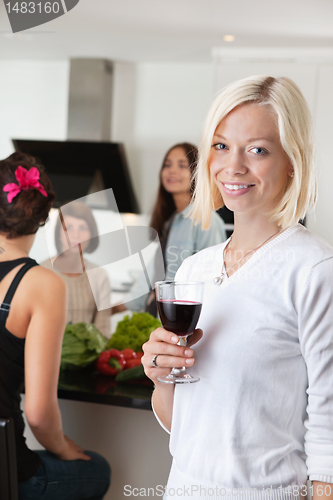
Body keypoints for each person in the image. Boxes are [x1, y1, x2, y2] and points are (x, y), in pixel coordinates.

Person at [142, 76, 333, 500]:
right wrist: (161, 377)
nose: (233, 166)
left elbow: (329, 426)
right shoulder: (195, 269)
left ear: (292, 161)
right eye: (221, 145)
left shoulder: (314, 270)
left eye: (258, 150)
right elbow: (183, 427)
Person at [0, 152, 111, 500]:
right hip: (8, 473)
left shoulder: (82, 275)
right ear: (44, 216)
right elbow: (39, 415)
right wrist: (64, 448)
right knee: (98, 469)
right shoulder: (43, 283)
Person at [117, 142, 227, 316]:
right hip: (161, 318)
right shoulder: (173, 222)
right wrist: (116, 308)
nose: (172, 171)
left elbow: (213, 280)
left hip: (183, 322)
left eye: (182, 165)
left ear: (196, 173)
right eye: (167, 165)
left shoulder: (207, 221)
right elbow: (152, 274)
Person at [42, 201, 111, 337]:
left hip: (87, 356)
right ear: (58, 234)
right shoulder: (41, 272)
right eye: (68, 228)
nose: (75, 235)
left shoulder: (99, 276)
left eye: (83, 228)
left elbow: (102, 332)